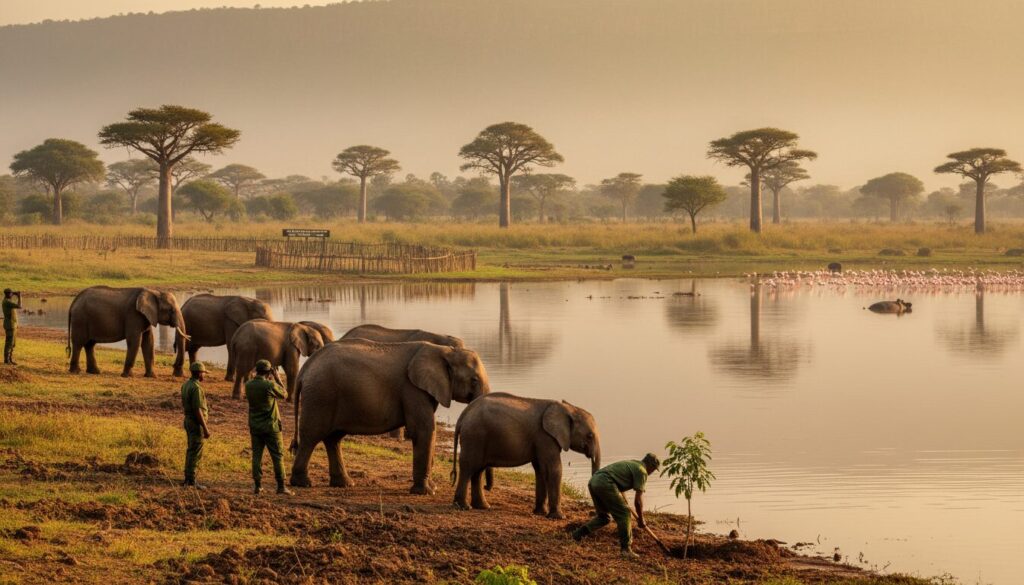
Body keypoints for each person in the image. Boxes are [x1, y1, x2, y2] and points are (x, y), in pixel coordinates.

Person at [572, 453, 660, 558]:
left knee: (604, 517)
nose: (651, 472)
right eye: (654, 469)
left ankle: (577, 535)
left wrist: (623, 499)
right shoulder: (642, 471)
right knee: (624, 514)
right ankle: (626, 549)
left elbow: (618, 480)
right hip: (605, 482)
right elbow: (638, 501)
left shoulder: (634, 463)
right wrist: (641, 519)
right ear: (650, 466)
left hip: (594, 481)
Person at [245, 360, 293, 495]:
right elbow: (285, 394)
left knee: (257, 456)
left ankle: (258, 485)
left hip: (255, 426)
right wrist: (278, 378)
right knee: (277, 456)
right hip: (271, 427)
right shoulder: (269, 385)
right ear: (268, 372)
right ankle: (281, 486)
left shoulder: (248, 385)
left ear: (256, 370)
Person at [181, 362, 211, 489]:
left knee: (191, 450)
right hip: (195, 422)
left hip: (188, 420)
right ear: (199, 374)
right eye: (204, 373)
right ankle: (191, 481)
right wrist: (205, 428)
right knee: (195, 451)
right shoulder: (197, 388)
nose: (205, 375)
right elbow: (197, 410)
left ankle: (188, 478)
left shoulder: (186, 384)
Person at [2, 289, 22, 366]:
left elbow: (10, 294)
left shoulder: (7, 300)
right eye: (11, 294)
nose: (12, 295)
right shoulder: (7, 302)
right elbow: (19, 306)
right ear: (8, 294)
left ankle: (10, 359)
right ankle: (6, 360)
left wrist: (14, 293)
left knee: (13, 343)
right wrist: (19, 296)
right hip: (10, 325)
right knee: (9, 343)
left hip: (13, 325)